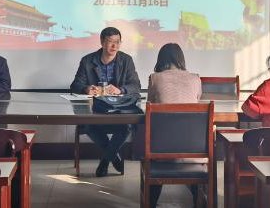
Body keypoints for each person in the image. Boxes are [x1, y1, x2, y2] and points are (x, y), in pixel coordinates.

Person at [70, 26, 141, 177]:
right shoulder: (87, 61)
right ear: (102, 42)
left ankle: (105, 161)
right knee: (89, 125)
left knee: (126, 127)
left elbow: (135, 86)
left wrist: (120, 90)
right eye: (110, 42)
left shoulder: (126, 60)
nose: (114, 46)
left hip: (119, 109)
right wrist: (86, 88)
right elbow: (75, 85)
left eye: (118, 42)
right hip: (95, 110)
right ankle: (114, 157)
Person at [146, 43, 203, 206]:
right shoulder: (196, 78)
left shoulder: (155, 78)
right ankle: (200, 199)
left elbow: (149, 106)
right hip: (195, 151)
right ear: (181, 59)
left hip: (161, 152)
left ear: (161, 59)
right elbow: (196, 103)